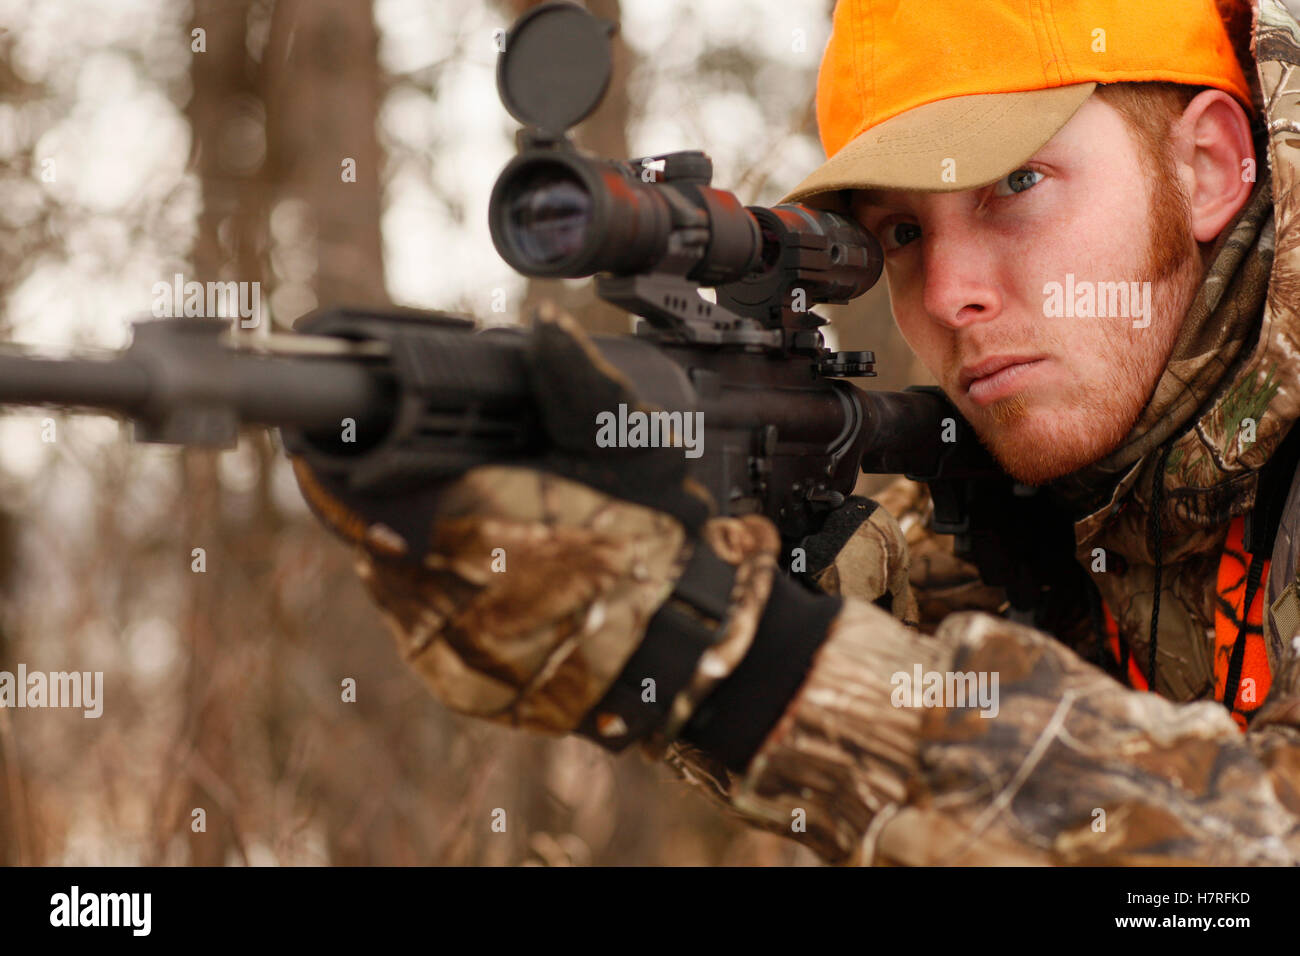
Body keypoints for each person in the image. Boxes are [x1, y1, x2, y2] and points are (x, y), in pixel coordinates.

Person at [290, 0, 1300, 864]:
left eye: (1017, 184)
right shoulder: (1005, 513)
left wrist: (756, 662)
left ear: (1210, 166)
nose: (946, 292)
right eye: (902, 232)